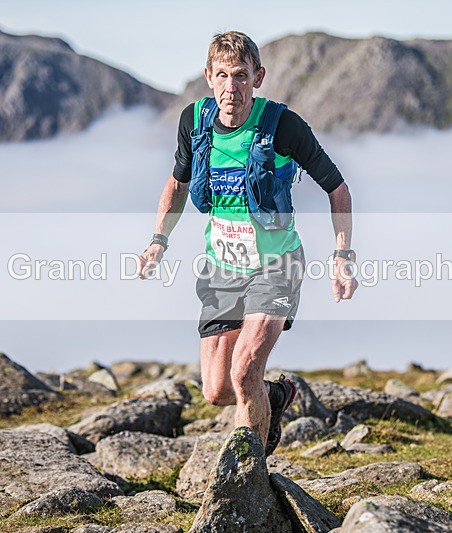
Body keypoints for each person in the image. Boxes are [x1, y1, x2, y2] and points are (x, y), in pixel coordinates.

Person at [138, 31, 357, 456]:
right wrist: (157, 242)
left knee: (244, 371)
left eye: (240, 75)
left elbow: (339, 189)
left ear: (258, 77)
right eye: (222, 75)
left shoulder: (283, 126)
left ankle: (247, 480)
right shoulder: (195, 123)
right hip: (222, 269)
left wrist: (342, 255)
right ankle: (274, 396)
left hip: (276, 266)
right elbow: (178, 183)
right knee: (217, 390)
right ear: (208, 77)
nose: (230, 87)